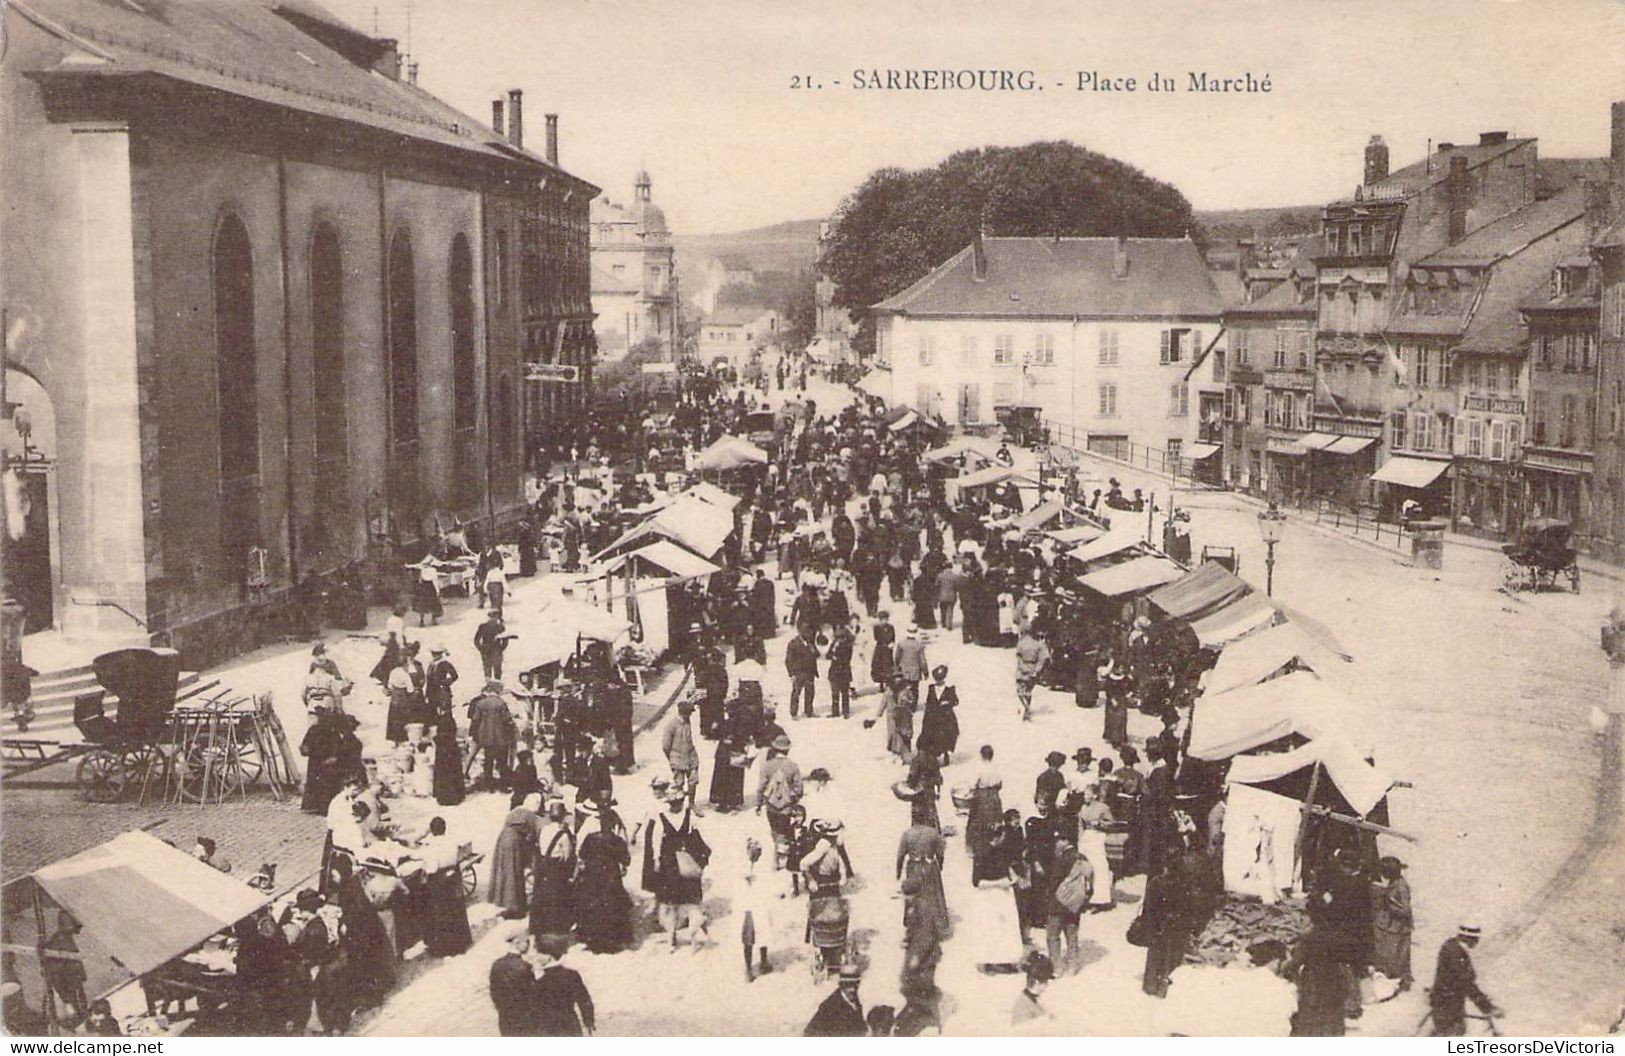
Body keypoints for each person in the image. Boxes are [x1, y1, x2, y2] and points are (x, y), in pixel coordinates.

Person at [641, 784, 712, 951]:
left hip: (670, 863)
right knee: (683, 901)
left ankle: (674, 937)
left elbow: (657, 841)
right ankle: (681, 936)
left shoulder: (665, 817)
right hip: (679, 861)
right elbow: (701, 837)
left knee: (672, 902)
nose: (676, 805)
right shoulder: (686, 815)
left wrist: (657, 861)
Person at [802, 819, 854, 976]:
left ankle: (831, 951)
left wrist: (843, 874)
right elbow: (804, 863)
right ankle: (826, 952)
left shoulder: (833, 845)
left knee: (834, 916)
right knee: (823, 918)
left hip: (832, 883)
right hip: (822, 885)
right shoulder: (823, 846)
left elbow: (840, 861)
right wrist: (811, 879)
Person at [1429, 924, 1500, 1036]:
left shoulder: (1453, 947)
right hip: (1448, 1006)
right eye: (1476, 939)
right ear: (1467, 938)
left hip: (1447, 1003)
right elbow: (1466, 983)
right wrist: (1486, 1007)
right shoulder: (1456, 953)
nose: (1477, 942)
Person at [418, 817, 473, 957]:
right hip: (453, 877)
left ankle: (443, 948)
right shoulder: (451, 842)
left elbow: (431, 868)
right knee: (455, 909)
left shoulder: (430, 846)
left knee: (439, 912)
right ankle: (460, 943)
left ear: (432, 830)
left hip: (439, 881)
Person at [299, 705, 362, 814]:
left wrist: (336, 758)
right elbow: (305, 747)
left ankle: (325, 805)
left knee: (328, 778)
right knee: (319, 778)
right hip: (318, 762)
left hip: (333, 763)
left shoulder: (337, 732)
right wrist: (305, 749)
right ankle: (316, 805)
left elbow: (347, 749)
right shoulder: (315, 730)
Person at [489, 793, 543, 918]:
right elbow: (534, 835)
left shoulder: (515, 811)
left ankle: (507, 902)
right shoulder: (530, 815)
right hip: (514, 844)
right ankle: (515, 906)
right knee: (514, 874)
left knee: (505, 874)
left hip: (502, 841)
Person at [1043, 836, 1091, 975]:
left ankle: (1056, 967)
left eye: (1057, 841)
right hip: (1075, 903)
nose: (1056, 845)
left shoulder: (1061, 859)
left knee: (1053, 934)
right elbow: (1089, 880)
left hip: (1058, 901)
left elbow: (1053, 880)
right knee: (1072, 933)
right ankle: (1072, 965)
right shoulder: (1082, 858)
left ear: (1064, 841)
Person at [757, 734, 804, 869]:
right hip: (787, 807)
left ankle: (777, 860)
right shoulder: (792, 766)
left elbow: (761, 787)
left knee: (775, 831)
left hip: (771, 806)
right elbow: (799, 788)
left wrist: (759, 803)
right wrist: (793, 799)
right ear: (787, 750)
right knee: (785, 831)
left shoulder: (767, 766)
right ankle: (783, 861)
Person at [533, 933, 595, 1036]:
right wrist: (589, 1021)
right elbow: (584, 1000)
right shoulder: (572, 975)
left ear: (550, 956)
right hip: (570, 1024)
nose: (536, 956)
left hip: (548, 1028)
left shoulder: (540, 977)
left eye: (540, 952)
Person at [1371, 856, 1414, 990]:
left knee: (1397, 957)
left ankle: (1400, 982)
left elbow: (1406, 911)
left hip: (1398, 928)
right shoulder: (1396, 883)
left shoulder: (1401, 887)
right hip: (1395, 927)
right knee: (1396, 956)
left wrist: (1388, 905)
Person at [490, 929, 541, 1036]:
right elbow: (533, 995)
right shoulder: (525, 967)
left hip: (505, 1018)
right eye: (526, 942)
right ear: (517, 943)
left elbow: (494, 992)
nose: (528, 945)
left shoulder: (496, 964)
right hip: (525, 1020)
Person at [966, 745, 1005, 885]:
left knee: (977, 821)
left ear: (982, 755)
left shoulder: (979, 768)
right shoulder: (996, 768)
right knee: (995, 819)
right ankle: (993, 844)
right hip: (994, 796)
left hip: (982, 797)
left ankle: (976, 847)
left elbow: (972, 785)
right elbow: (1000, 784)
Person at [467, 679, 517, 790]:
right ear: (497, 690)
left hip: (486, 737)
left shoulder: (481, 703)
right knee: (502, 762)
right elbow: (507, 719)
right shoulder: (501, 703)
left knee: (488, 761)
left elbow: (475, 719)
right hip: (500, 737)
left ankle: (488, 786)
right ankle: (503, 786)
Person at [41, 912, 87, 1020]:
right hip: (65, 976)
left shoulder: (64, 938)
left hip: (70, 975)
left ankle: (79, 1013)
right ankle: (78, 1013)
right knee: (73, 997)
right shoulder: (59, 939)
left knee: (76, 996)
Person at [804, 963, 866, 1037]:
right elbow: (809, 1033)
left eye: (855, 985)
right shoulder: (829, 1007)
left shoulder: (854, 1002)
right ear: (841, 984)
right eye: (848, 985)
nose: (852, 989)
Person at [661, 699, 702, 810]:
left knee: (693, 780)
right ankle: (678, 805)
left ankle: (692, 804)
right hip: (677, 759)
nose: (689, 715)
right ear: (681, 712)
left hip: (691, 756)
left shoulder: (688, 721)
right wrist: (672, 759)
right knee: (679, 783)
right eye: (687, 713)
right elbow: (665, 746)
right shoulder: (671, 725)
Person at [916, 664, 960, 766]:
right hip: (933, 716)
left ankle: (945, 753)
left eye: (940, 678)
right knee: (932, 735)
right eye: (937, 679)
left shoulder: (949, 689)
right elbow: (929, 701)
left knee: (946, 736)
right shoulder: (931, 688)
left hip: (946, 717)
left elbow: (955, 701)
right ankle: (933, 755)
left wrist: (947, 703)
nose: (938, 681)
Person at [1014, 627, 1051, 722]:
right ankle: (1027, 709)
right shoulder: (1036, 643)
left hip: (1028, 667)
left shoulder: (1036, 643)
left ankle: (1026, 709)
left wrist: (1035, 670)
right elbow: (1045, 658)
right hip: (1027, 667)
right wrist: (1036, 669)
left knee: (1024, 690)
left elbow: (1043, 659)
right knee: (1024, 690)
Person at [1011, 953, 1055, 1026]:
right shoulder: (1023, 1009)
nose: (1047, 985)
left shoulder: (1035, 998)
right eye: (1045, 981)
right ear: (1037, 982)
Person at [786, 626, 819, 719]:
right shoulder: (793, 644)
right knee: (796, 692)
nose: (809, 635)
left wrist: (814, 650)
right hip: (799, 672)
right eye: (806, 633)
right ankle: (794, 713)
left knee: (810, 692)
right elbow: (788, 660)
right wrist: (791, 674)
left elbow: (817, 654)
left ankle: (809, 711)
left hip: (810, 672)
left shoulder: (810, 643)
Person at [431, 715, 465, 806]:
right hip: (451, 749)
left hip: (442, 749)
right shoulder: (450, 720)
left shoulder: (440, 720)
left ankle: (442, 796)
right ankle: (456, 795)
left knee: (441, 772)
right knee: (454, 771)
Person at [827, 621, 854, 719]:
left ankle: (846, 711)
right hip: (834, 671)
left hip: (844, 671)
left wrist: (835, 656)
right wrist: (833, 651)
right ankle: (835, 711)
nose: (839, 640)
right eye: (837, 638)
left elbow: (846, 659)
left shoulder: (848, 646)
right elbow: (827, 655)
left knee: (844, 692)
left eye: (841, 638)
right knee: (834, 693)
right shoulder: (834, 645)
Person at [474, 611, 511, 681]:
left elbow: (505, 640)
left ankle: (498, 687)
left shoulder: (501, 627)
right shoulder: (483, 627)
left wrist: (500, 649)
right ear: (489, 617)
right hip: (486, 651)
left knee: (497, 671)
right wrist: (481, 649)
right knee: (487, 671)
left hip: (496, 651)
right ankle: (489, 687)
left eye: (495, 617)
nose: (493, 619)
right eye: (492, 617)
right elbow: (476, 640)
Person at [425, 645, 458, 717]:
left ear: (440, 654)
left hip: (442, 691)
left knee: (445, 712)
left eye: (437, 654)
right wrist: (427, 693)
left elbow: (455, 676)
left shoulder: (445, 663)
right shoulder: (431, 664)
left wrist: (445, 683)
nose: (434, 655)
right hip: (432, 692)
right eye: (433, 653)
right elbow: (428, 679)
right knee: (432, 711)